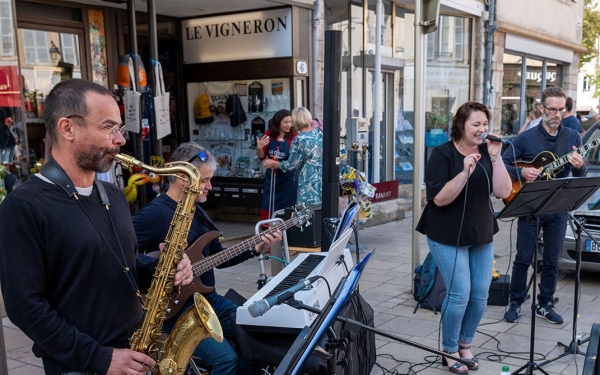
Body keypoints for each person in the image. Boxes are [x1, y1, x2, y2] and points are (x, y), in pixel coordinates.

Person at [0, 78, 194, 375]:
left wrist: (165, 268)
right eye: (108, 128)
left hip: (135, 353)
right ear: (68, 129)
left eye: (119, 128)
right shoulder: (23, 207)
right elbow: (25, 308)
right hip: (82, 366)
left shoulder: (113, 195)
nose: (120, 140)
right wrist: (101, 359)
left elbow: (122, 265)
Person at [134, 142, 281, 375]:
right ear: (184, 177)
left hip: (207, 300)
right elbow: (123, 254)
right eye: (204, 180)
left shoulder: (198, 210)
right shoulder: (154, 214)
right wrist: (161, 267)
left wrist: (256, 249)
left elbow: (218, 258)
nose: (209, 187)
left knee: (256, 337)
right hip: (176, 309)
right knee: (226, 361)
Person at [416, 101, 512, 374]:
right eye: (476, 125)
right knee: (460, 293)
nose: (482, 130)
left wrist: (495, 157)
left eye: (485, 124)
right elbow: (440, 199)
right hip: (445, 233)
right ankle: (448, 348)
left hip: (480, 231)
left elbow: (503, 191)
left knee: (480, 295)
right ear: (461, 126)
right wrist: (465, 171)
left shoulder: (487, 151)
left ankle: (464, 342)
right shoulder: (442, 154)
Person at [502, 86, 587, 325]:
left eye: (562, 109)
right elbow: (502, 165)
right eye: (552, 109)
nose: (557, 114)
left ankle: (545, 303)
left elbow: (581, 175)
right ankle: (516, 302)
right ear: (542, 108)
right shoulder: (525, 138)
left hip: (558, 208)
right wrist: (521, 171)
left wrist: (579, 165)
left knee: (552, 260)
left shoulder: (572, 137)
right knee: (523, 257)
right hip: (530, 206)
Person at [263, 106, 323, 207]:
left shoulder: (299, 139)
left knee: (305, 214)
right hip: (320, 177)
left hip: (307, 180)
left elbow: (291, 165)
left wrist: (274, 163)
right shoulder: (319, 133)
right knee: (318, 212)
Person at [256, 109, 298, 221]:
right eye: (285, 122)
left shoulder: (294, 136)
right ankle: (268, 226)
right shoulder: (268, 134)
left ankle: (286, 229)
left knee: (288, 204)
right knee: (268, 201)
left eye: (290, 122)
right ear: (278, 122)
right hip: (272, 178)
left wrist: (276, 163)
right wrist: (259, 148)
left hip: (288, 178)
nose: (289, 125)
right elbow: (261, 155)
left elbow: (294, 161)